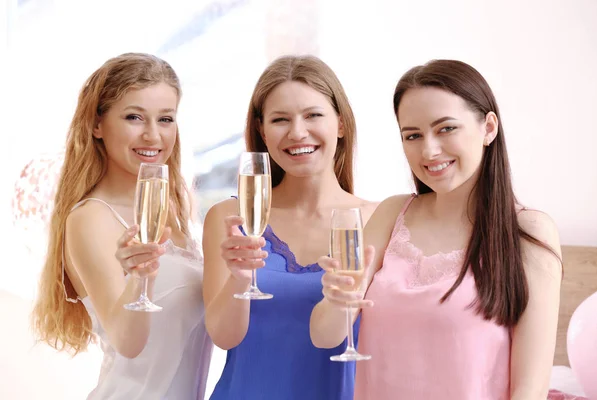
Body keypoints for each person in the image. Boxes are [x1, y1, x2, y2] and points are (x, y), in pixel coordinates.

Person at [310, 59, 562, 400]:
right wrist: (337, 300)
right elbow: (324, 336)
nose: (428, 150)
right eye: (412, 135)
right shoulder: (391, 214)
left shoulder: (527, 231)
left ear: (489, 128)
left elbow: (529, 388)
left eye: (446, 128)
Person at [31, 53, 213, 400]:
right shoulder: (90, 218)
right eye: (134, 117)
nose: (153, 135)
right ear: (97, 125)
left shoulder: (174, 207)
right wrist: (142, 278)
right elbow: (127, 343)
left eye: (165, 119)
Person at [202, 55, 378, 400]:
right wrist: (240, 276)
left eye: (313, 115)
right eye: (280, 119)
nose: (298, 132)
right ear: (262, 132)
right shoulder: (231, 218)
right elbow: (223, 337)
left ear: (340, 124)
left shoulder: (378, 220)